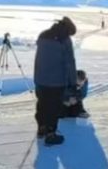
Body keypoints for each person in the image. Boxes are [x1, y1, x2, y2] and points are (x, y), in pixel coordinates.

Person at [33, 16, 77, 146]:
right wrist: (73, 82)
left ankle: (41, 128)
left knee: (42, 103)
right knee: (53, 106)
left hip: (40, 78)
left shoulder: (43, 35)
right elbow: (70, 62)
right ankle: (50, 133)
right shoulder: (64, 40)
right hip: (56, 81)